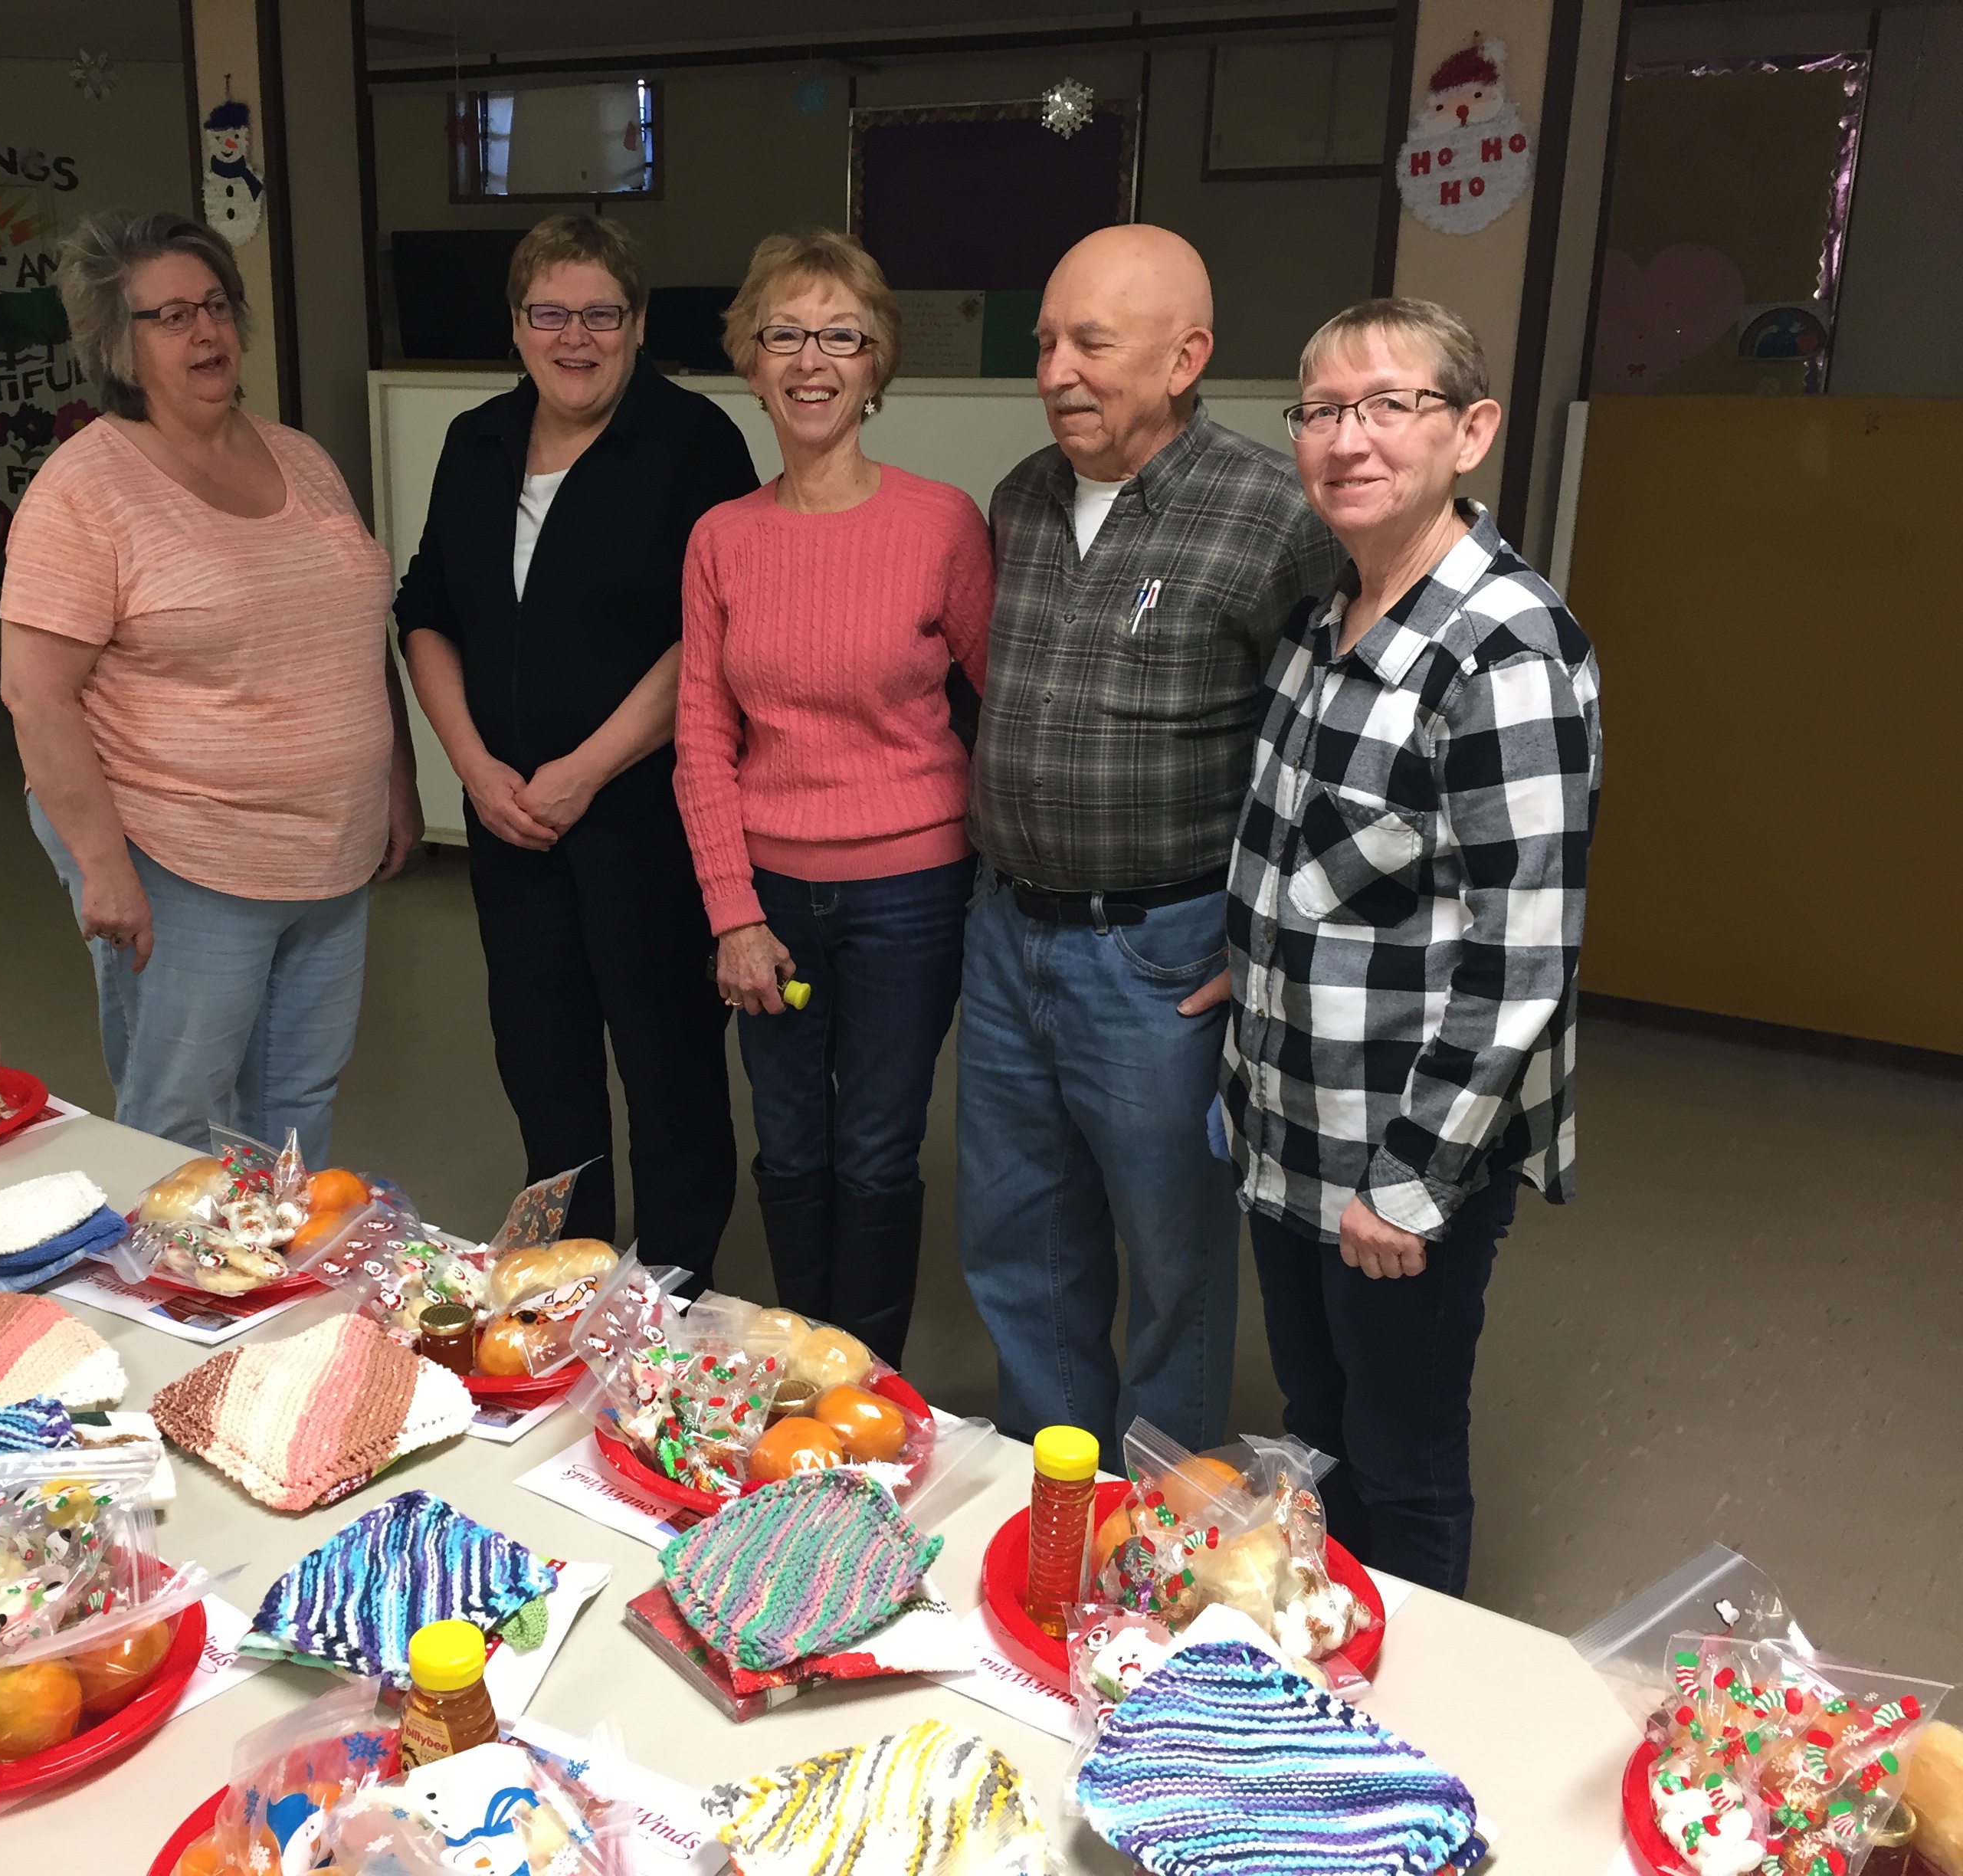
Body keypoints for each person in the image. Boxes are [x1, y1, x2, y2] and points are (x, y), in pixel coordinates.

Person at [1217, 298, 1600, 1594]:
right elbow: (1311, 857)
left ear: (1469, 431)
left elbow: (1522, 955)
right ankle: (1327, 1662)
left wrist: (1411, 1178)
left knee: (1401, 1457)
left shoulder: (1501, 647)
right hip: (1288, 1123)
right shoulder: (1323, 619)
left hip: (1393, 1161)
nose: (1347, 437)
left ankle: (1413, 1716)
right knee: (1317, 1434)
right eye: (1320, 410)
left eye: (1388, 404)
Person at [958, 225, 1346, 1451]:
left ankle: (1157, 1520)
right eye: (1046, 342)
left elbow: (1333, 749)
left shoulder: (1277, 516)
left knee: (1172, 1255)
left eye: (1092, 343)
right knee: (1020, 1238)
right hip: (1007, 931)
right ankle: (1051, 1487)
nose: (1057, 370)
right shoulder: (1018, 499)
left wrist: (1267, 936)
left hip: (1164, 957)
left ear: (1187, 358)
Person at [1, 211, 418, 1159]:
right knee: (180, 1114)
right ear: (118, 343)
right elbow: (36, 696)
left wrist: (394, 781)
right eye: (171, 316)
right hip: (181, 852)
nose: (206, 333)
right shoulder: (84, 492)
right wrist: (103, 869)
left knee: (299, 1095)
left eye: (218, 307)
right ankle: (166, 1299)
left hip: (329, 852)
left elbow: (356, 632)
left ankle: (266, 1293)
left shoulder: (300, 458)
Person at [395, 215, 752, 1286]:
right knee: (542, 1066)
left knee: (669, 1072)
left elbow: (715, 632)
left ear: (638, 325)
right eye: (551, 312)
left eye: (603, 314)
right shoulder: (476, 442)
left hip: (647, 823)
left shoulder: (694, 443)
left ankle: (669, 1299)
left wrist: (587, 770)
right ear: (516, 326)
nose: (577, 337)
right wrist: (468, 765)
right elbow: (427, 611)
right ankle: (565, 1281)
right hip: (511, 827)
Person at [674, 231, 991, 1366]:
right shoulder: (721, 538)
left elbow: (1000, 696)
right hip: (769, 895)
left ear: (876, 368)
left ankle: (870, 1386)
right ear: (752, 365)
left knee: (874, 1146)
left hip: (911, 891)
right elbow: (703, 742)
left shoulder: (941, 523)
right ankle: (807, 1365)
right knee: (791, 1138)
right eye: (786, 336)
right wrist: (732, 912)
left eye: (841, 338)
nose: (813, 361)